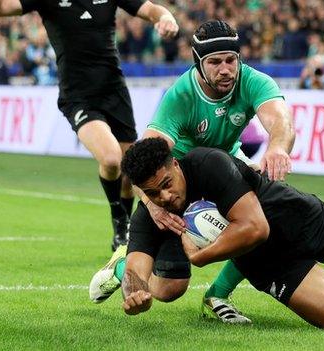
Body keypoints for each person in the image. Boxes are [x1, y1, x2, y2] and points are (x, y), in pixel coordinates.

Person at [93, 138, 324, 330]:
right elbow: (139, 270)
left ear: (175, 164)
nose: (165, 197)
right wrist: (134, 293)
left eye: (167, 185)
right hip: (264, 258)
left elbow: (255, 225)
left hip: (286, 212)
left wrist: (201, 256)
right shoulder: (151, 216)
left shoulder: (208, 164)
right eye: (153, 193)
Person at [90, 20, 295, 323]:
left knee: (264, 216)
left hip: (221, 170)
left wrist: (277, 147)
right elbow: (139, 162)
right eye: (214, 62)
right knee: (171, 288)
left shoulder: (254, 81)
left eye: (231, 60)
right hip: (176, 185)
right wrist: (152, 205)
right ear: (199, 63)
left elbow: (281, 121)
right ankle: (120, 267)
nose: (225, 69)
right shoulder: (181, 96)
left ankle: (217, 295)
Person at [0, 0, 179, 251]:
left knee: (130, 170)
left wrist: (166, 17)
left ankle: (127, 224)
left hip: (114, 90)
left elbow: (152, 10)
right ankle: (119, 220)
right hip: (78, 95)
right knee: (111, 159)